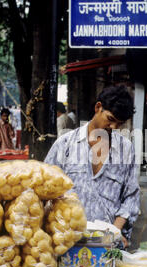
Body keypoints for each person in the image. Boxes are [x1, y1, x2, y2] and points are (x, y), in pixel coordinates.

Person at [45, 85, 140, 249]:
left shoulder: (126, 149)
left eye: (120, 124)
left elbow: (131, 196)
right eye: (110, 119)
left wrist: (115, 232)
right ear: (98, 107)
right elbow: (44, 187)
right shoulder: (65, 144)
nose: (114, 128)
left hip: (107, 245)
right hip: (65, 242)